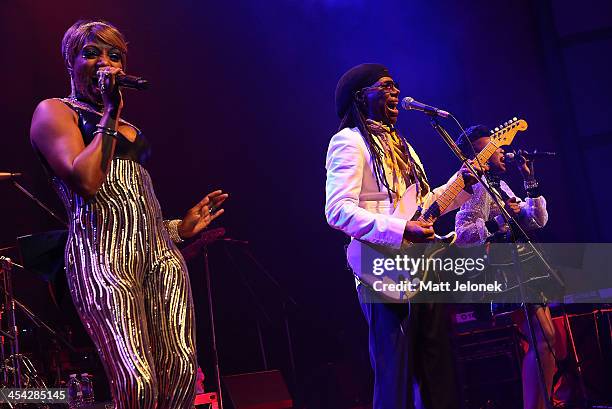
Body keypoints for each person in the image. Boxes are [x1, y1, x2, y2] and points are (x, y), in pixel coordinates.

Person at [29, 20, 228, 408]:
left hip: (159, 257)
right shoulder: (54, 112)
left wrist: (177, 228)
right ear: (70, 61)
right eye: (92, 53)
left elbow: (132, 205)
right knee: (137, 381)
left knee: (182, 375)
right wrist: (108, 113)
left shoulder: (128, 127)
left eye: (114, 55)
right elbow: (86, 182)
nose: (105, 63)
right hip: (101, 257)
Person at [325, 63, 483, 409]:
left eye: (396, 85)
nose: (395, 91)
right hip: (380, 270)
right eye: (385, 86)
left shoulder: (402, 147)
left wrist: (462, 186)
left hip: (421, 268)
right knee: (395, 372)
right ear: (361, 96)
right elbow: (337, 210)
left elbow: (424, 204)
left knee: (436, 369)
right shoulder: (349, 142)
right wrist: (400, 229)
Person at [454, 125, 555, 409]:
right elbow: (463, 236)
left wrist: (529, 179)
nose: (501, 151)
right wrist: (499, 221)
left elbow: (536, 221)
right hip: (507, 272)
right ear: (479, 156)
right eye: (493, 147)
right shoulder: (473, 190)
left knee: (546, 340)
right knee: (544, 338)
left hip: (526, 267)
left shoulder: (497, 185)